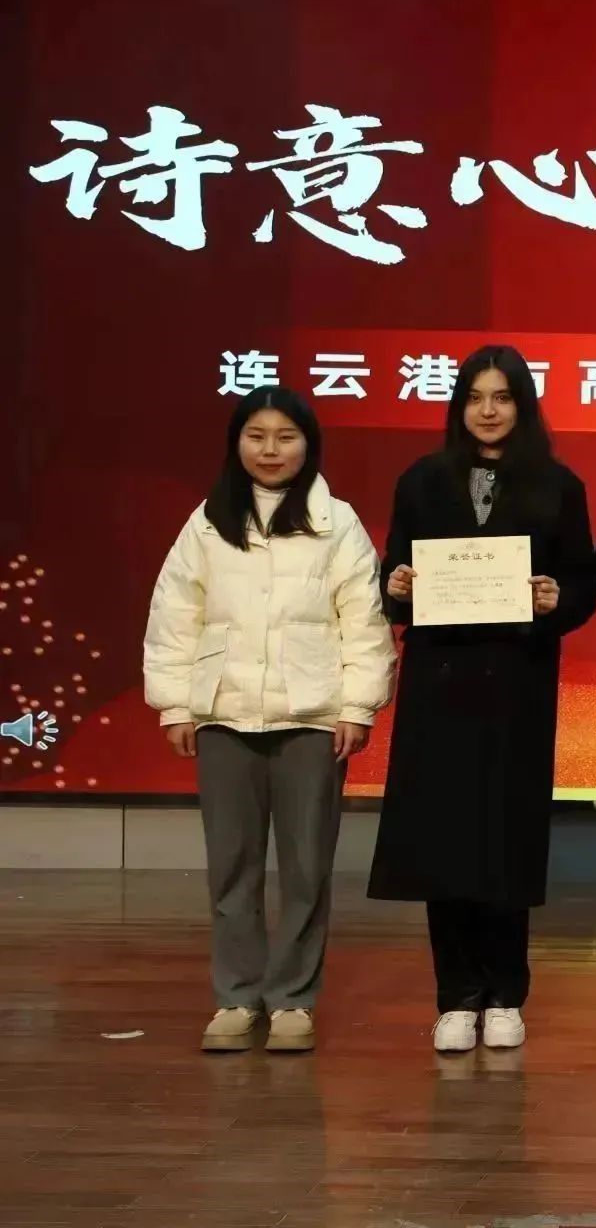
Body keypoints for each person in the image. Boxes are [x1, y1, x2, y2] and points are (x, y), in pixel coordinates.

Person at [143, 387, 395, 1053]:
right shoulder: (207, 522)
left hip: (312, 718)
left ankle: (292, 1001)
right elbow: (174, 616)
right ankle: (236, 996)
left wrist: (356, 706)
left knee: (307, 867)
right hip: (224, 714)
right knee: (232, 865)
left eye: (286, 437)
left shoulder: (337, 523)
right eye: (257, 436)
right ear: (237, 443)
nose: (271, 450)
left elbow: (363, 621)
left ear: (308, 444)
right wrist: (176, 703)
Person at [369, 345, 596, 1054]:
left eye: (502, 397)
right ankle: (455, 995)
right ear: (459, 405)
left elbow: (583, 585)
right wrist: (395, 587)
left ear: (522, 405)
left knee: (506, 838)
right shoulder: (421, 480)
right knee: (443, 841)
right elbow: (395, 574)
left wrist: (558, 599)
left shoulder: (557, 486)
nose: (488, 410)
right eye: (475, 397)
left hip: (515, 684)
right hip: (439, 686)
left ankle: (505, 993)